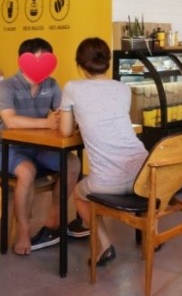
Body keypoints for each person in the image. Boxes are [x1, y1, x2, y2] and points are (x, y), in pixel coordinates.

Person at [60, 37, 148, 266]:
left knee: (79, 194)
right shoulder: (123, 88)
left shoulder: (72, 88)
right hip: (144, 174)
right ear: (107, 62)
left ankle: (104, 245)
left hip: (107, 183)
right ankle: (151, 237)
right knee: (139, 184)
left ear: (80, 64)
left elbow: (65, 131)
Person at [0, 38, 82, 255]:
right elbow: (10, 121)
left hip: (39, 146)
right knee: (27, 172)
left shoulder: (52, 84)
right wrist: (46, 123)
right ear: (22, 61)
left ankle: (52, 222)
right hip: (8, 148)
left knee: (73, 163)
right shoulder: (6, 86)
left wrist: (70, 120)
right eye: (37, 61)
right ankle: (24, 232)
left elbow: (61, 115)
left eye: (46, 61)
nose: (41, 67)